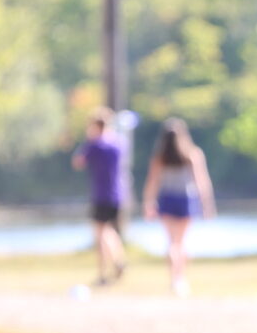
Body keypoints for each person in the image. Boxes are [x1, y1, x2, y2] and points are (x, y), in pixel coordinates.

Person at [142, 118, 216, 296]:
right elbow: (202, 182)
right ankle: (180, 278)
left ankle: (174, 279)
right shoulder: (193, 154)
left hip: (167, 199)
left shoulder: (160, 158)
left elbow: (152, 182)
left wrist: (148, 203)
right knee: (180, 243)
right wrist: (207, 204)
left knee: (172, 242)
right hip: (185, 200)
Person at [71, 108, 127, 286]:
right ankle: (119, 260)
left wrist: (88, 140)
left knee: (100, 233)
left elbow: (78, 162)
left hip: (101, 195)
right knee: (109, 230)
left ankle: (103, 273)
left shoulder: (94, 145)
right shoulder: (118, 143)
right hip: (118, 194)